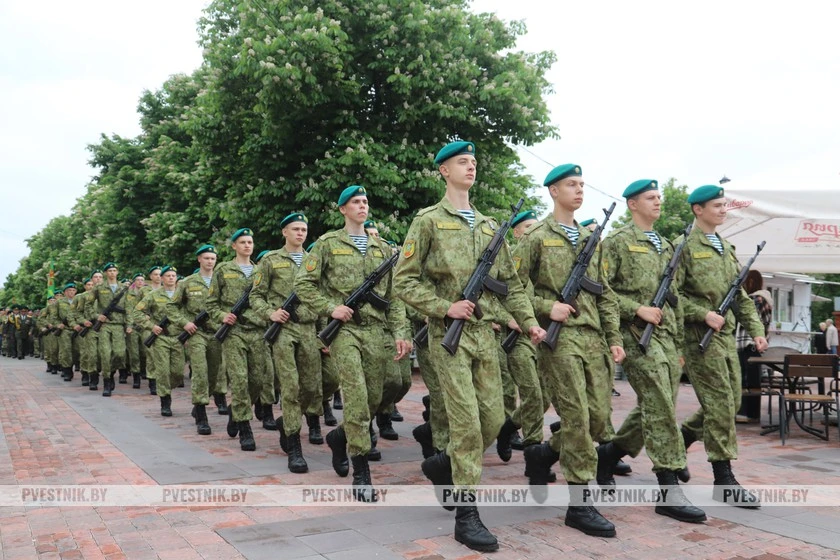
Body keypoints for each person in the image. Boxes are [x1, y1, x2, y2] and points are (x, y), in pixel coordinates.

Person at [394, 141, 545, 552]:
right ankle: (467, 514)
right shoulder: (427, 221)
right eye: (463, 161)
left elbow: (510, 285)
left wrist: (529, 322)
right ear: (444, 171)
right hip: (449, 340)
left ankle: (443, 463)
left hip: (484, 337)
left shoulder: (488, 225)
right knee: (465, 423)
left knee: (494, 420)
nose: (471, 166)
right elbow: (403, 281)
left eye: (474, 161)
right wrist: (445, 305)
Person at [515, 163, 625, 538]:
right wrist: (547, 309)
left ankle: (543, 454)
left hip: (594, 339)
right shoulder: (535, 237)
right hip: (559, 341)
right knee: (577, 419)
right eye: (571, 185)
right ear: (552, 191)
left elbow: (604, 292)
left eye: (581, 185)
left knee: (598, 421)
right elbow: (513, 289)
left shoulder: (589, 239)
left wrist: (614, 337)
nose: (579, 191)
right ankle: (580, 505)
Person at [599, 178, 706, 523]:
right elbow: (601, 291)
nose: (658, 202)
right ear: (632, 204)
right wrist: (636, 308)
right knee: (660, 405)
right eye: (651, 197)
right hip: (634, 336)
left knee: (656, 402)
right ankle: (669, 485)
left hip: (663, 339)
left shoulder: (663, 245)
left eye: (659, 197)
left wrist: (677, 343)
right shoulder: (616, 243)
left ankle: (610, 452)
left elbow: (672, 299)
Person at [296, 186, 411, 501]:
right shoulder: (328, 245)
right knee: (358, 399)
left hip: (376, 332)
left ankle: (339, 437)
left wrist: (402, 331)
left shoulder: (384, 248)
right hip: (345, 332)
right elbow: (303, 284)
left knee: (374, 400)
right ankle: (362, 472)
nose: (362, 206)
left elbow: (394, 297)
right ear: (343, 209)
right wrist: (329, 308)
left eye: (365, 201)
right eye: (356, 202)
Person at [678, 185, 768, 508]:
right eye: (716, 205)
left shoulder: (725, 248)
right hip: (699, 340)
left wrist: (756, 330)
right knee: (719, 406)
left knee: (729, 403)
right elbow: (672, 297)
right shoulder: (683, 247)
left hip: (726, 339)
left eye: (724, 204)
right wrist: (702, 314)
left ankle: (681, 440)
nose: (723, 209)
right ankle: (724, 478)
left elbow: (740, 297)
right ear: (697, 210)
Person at [251, 213, 323, 473]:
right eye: (295, 229)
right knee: (291, 388)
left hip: (309, 329)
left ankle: (289, 423)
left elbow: (321, 298)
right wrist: (270, 313)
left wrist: (324, 333)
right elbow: (255, 296)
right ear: (285, 232)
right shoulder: (270, 260)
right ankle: (294, 445)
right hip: (284, 330)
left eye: (304, 229)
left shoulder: (314, 260)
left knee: (312, 386)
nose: (300, 233)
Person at [207, 228, 269, 451]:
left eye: (250, 242)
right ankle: (245, 427)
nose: (247, 246)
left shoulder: (261, 270)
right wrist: (223, 316)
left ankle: (236, 411)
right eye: (242, 242)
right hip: (234, 333)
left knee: (258, 380)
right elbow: (211, 304)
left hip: (258, 331)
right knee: (240, 380)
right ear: (234, 246)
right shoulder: (223, 270)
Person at [171, 244, 226, 433]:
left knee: (214, 375)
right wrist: (184, 323)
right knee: (200, 373)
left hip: (217, 333)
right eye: (207, 258)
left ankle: (199, 405)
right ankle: (202, 415)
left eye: (213, 258)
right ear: (199, 260)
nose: (210, 261)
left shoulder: (222, 281)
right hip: (197, 334)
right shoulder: (187, 282)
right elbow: (172, 307)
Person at [135, 266, 183, 416]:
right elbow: (137, 312)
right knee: (162, 370)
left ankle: (168, 387)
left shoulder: (182, 295)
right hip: (161, 338)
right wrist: (151, 326)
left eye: (173, 275)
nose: (171, 278)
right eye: (167, 275)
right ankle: (165, 401)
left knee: (177, 371)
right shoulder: (153, 295)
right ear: (161, 278)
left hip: (179, 337)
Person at [736, 289, 773, 422]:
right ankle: (753, 413)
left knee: (745, 380)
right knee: (753, 379)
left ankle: (745, 413)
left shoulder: (756, 300)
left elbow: (748, 319)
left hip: (748, 343)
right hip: (758, 344)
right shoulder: (766, 301)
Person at [93, 262, 129, 397]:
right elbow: (88, 306)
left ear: (117, 272)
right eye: (110, 270)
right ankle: (107, 382)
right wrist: (98, 316)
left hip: (119, 325)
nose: (112, 273)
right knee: (105, 354)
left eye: (114, 270)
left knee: (120, 354)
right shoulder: (99, 288)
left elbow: (129, 308)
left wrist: (129, 324)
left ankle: (112, 371)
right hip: (104, 326)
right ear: (106, 273)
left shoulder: (124, 288)